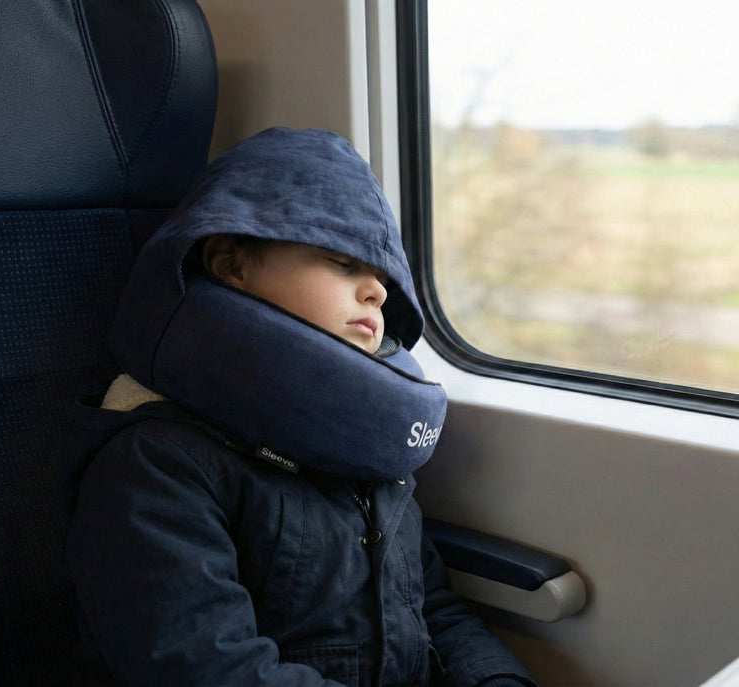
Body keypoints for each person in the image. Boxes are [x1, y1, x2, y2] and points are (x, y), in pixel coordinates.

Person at [63, 127, 535, 687]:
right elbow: (209, 668)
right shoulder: (158, 465)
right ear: (232, 266)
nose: (377, 293)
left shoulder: (365, 452)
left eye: (382, 278)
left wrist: (495, 680)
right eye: (341, 262)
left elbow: (431, 609)